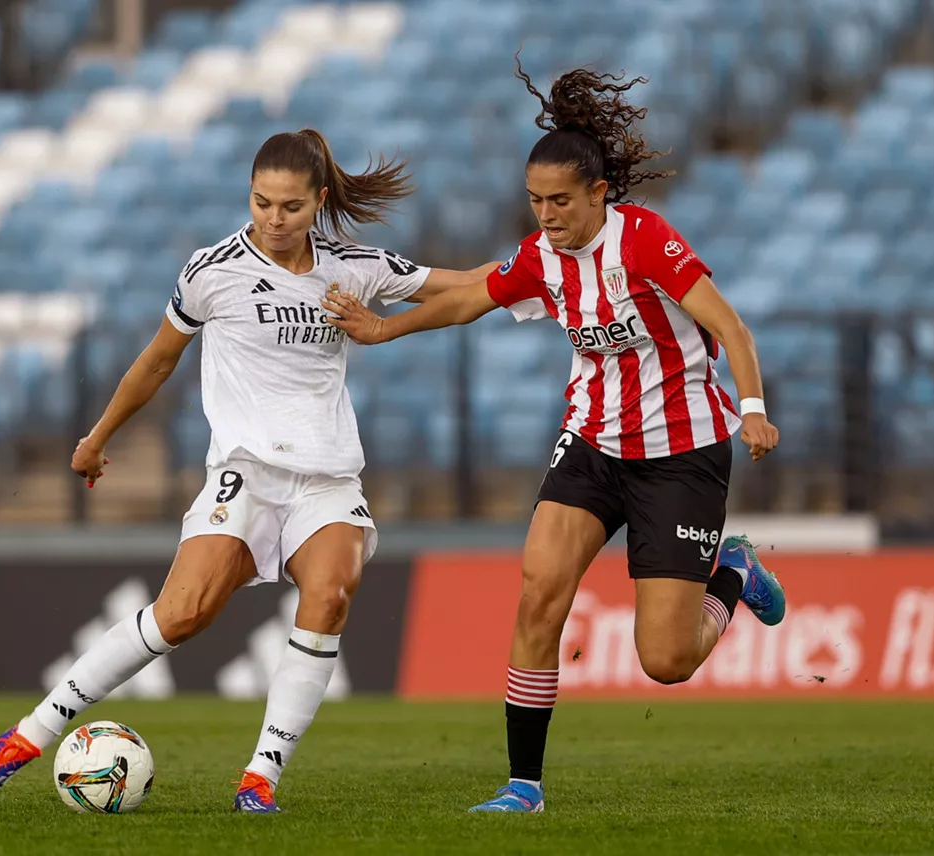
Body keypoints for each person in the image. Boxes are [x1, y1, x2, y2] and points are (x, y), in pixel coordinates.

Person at [0, 128, 498, 813]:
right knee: (180, 615)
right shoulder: (211, 271)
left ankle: (259, 779)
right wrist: (97, 436)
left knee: (330, 596)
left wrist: (545, 270)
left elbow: (467, 285)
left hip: (328, 478)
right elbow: (158, 359)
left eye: (291, 207)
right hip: (245, 472)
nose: (274, 219)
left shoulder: (354, 267)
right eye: (262, 201)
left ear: (319, 202)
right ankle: (28, 735)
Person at [323, 65, 787, 814]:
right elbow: (472, 296)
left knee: (666, 661)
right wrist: (383, 328)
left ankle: (734, 574)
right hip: (595, 442)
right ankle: (524, 786)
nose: (545, 215)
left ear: (599, 193)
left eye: (560, 201)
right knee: (539, 593)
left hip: (682, 453)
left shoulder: (645, 241)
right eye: (535, 201)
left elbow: (730, 325)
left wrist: (755, 407)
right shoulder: (542, 257)